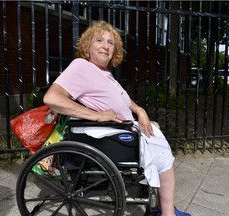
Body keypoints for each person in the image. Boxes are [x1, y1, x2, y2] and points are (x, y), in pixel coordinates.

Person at [43, 20, 191, 216]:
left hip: (126, 128)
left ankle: (161, 208)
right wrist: (96, 115)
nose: (105, 46)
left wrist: (140, 110)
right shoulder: (81, 66)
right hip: (114, 135)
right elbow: (51, 98)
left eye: (110, 43)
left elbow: (125, 99)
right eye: (99, 40)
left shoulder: (105, 73)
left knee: (160, 147)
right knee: (164, 159)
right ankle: (166, 213)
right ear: (88, 46)